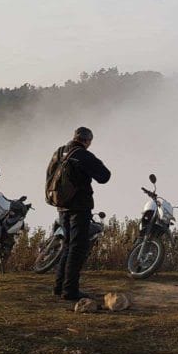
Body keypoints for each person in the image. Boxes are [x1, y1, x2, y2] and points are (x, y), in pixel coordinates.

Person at [51, 127, 111, 301]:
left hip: (61, 205)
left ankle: (58, 286)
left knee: (68, 245)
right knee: (77, 248)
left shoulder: (59, 151)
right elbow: (104, 176)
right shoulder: (83, 154)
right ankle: (70, 290)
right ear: (88, 140)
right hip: (79, 207)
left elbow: (50, 174)